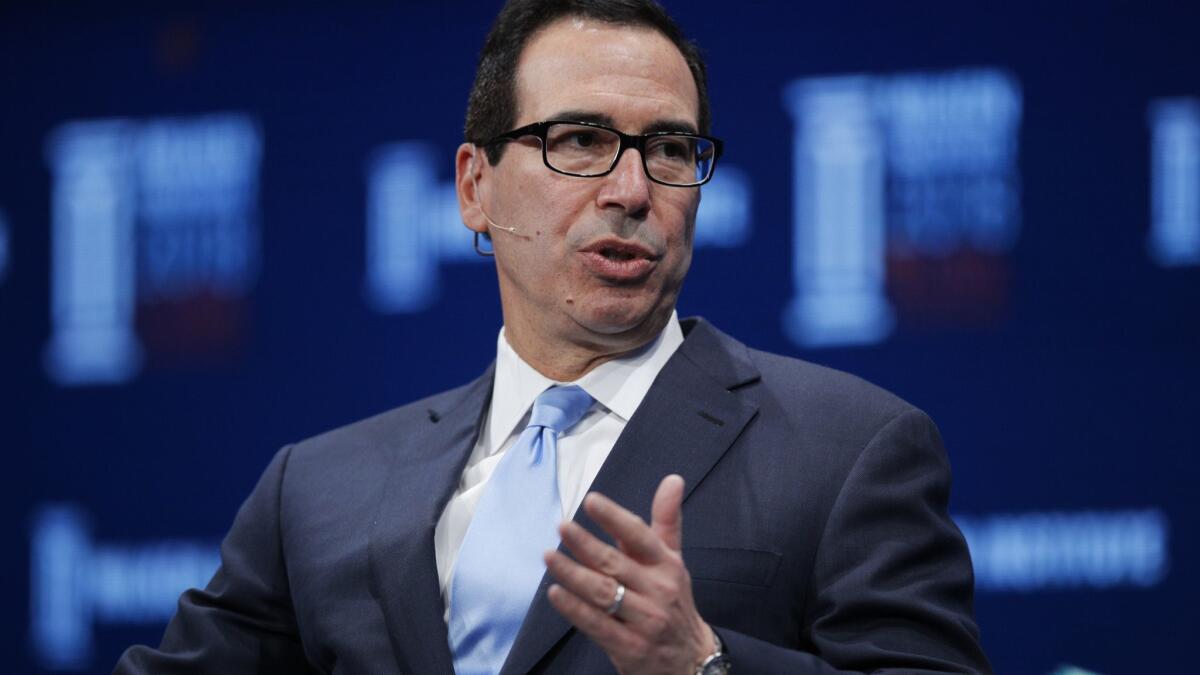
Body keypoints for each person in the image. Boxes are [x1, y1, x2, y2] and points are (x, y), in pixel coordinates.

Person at [116, 0, 991, 673]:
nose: (632, 190)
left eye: (672, 151)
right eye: (580, 139)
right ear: (474, 188)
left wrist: (702, 663)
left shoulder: (848, 449)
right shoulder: (316, 490)